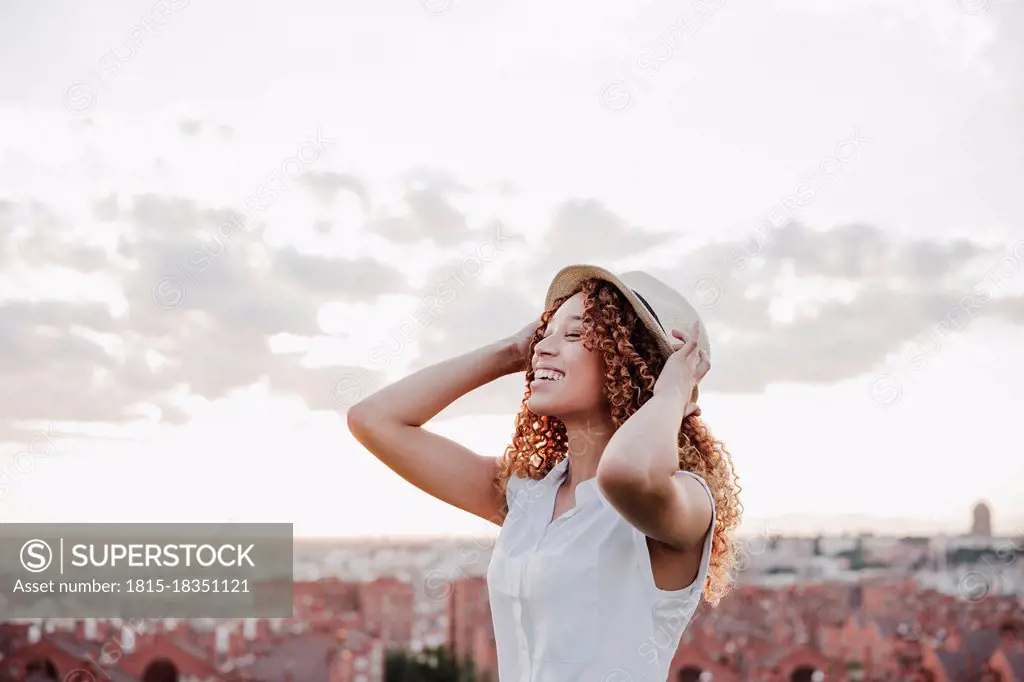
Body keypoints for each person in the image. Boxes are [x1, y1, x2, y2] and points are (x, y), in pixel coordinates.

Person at [348, 264, 742, 681]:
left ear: (630, 362)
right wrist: (510, 351)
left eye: (574, 334)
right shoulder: (529, 495)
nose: (542, 348)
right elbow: (373, 419)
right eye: (544, 333)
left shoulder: (687, 501)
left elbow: (625, 475)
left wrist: (671, 393)